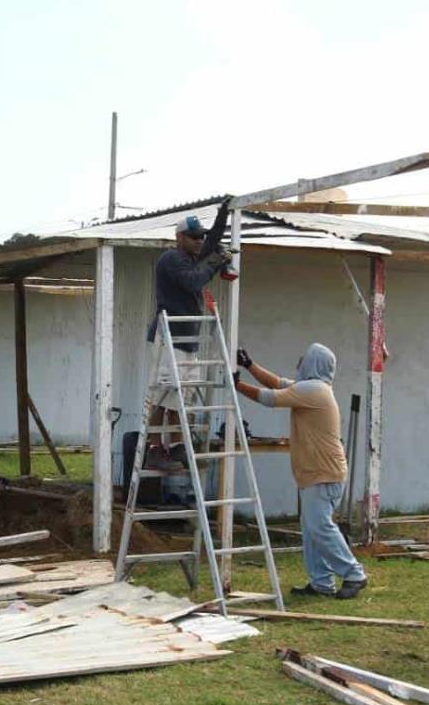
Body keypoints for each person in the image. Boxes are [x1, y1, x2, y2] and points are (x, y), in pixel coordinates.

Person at [233, 343, 368, 599]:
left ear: (314, 363)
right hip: (316, 472)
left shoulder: (314, 390)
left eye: (305, 357)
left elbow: (269, 398)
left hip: (323, 472)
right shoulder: (310, 388)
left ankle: (354, 573)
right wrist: (249, 365)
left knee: (320, 527)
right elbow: (277, 383)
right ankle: (321, 583)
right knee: (311, 529)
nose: (300, 360)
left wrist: (237, 386)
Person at [145, 214, 233, 464]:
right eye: (193, 236)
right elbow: (193, 282)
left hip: (186, 338)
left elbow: (212, 240)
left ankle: (175, 446)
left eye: (200, 236)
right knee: (165, 396)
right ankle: (155, 449)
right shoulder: (172, 259)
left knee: (181, 398)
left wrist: (222, 213)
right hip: (169, 338)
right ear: (179, 237)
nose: (199, 241)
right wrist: (216, 263)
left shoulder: (192, 256)